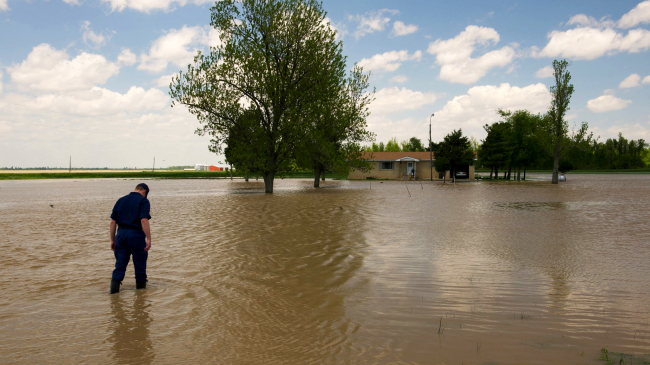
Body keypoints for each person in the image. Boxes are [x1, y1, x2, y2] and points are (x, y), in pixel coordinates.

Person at [109, 183, 152, 294]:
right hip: (136, 235)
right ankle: (141, 296)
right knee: (139, 265)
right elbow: (143, 220)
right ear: (144, 192)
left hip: (121, 234)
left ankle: (113, 294)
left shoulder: (121, 200)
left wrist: (112, 240)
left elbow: (113, 222)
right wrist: (149, 239)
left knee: (120, 265)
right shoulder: (143, 201)